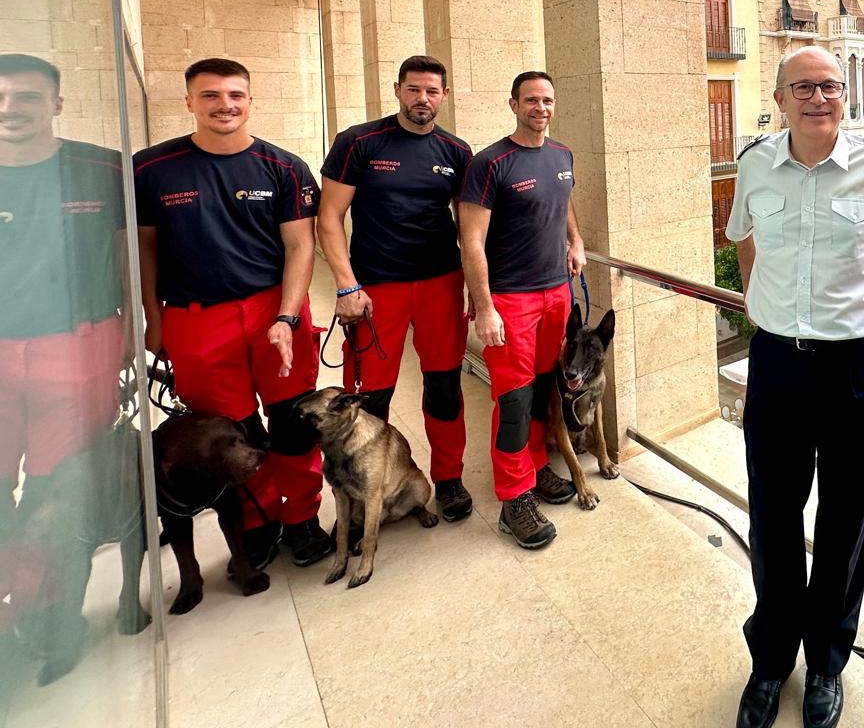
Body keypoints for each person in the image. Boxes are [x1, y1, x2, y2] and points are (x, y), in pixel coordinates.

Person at [724, 46, 864, 728]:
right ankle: (770, 662)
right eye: (804, 86)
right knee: (771, 512)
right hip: (777, 362)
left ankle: (826, 663)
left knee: (847, 518)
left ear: (844, 96)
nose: (819, 96)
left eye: (830, 86)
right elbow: (743, 240)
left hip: (857, 366)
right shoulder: (756, 163)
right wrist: (758, 306)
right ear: (781, 97)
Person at [134, 58, 331, 566]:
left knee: (292, 423)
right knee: (233, 432)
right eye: (211, 96)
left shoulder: (284, 167)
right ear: (189, 102)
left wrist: (288, 317)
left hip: (273, 309)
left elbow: (300, 248)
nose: (225, 105)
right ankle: (256, 522)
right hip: (196, 319)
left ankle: (302, 518)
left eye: (235, 95)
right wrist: (153, 323)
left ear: (250, 100)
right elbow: (144, 251)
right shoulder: (151, 169)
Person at [0, 55, 128, 641]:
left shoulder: (101, 168)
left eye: (26, 97)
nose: (9, 109)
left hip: (78, 347)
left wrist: (132, 330)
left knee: (61, 485)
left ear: (55, 103)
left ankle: (46, 611)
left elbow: (128, 255)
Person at [317, 56, 475, 524]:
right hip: (375, 290)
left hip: (440, 284)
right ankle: (369, 488)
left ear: (444, 96)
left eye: (431, 91)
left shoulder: (456, 151)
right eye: (413, 89)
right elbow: (329, 219)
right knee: (370, 398)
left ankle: (448, 478)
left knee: (444, 388)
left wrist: (475, 289)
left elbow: (470, 227)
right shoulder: (359, 142)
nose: (422, 99)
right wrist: (346, 285)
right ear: (397, 90)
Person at [458, 71, 584, 551]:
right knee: (512, 400)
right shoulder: (491, 163)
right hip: (510, 299)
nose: (540, 107)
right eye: (531, 100)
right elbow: (471, 239)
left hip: (557, 292)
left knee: (540, 390)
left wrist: (576, 240)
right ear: (513, 104)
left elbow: (563, 200)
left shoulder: (562, 155)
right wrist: (485, 307)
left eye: (547, 99)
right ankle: (514, 499)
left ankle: (534, 468)